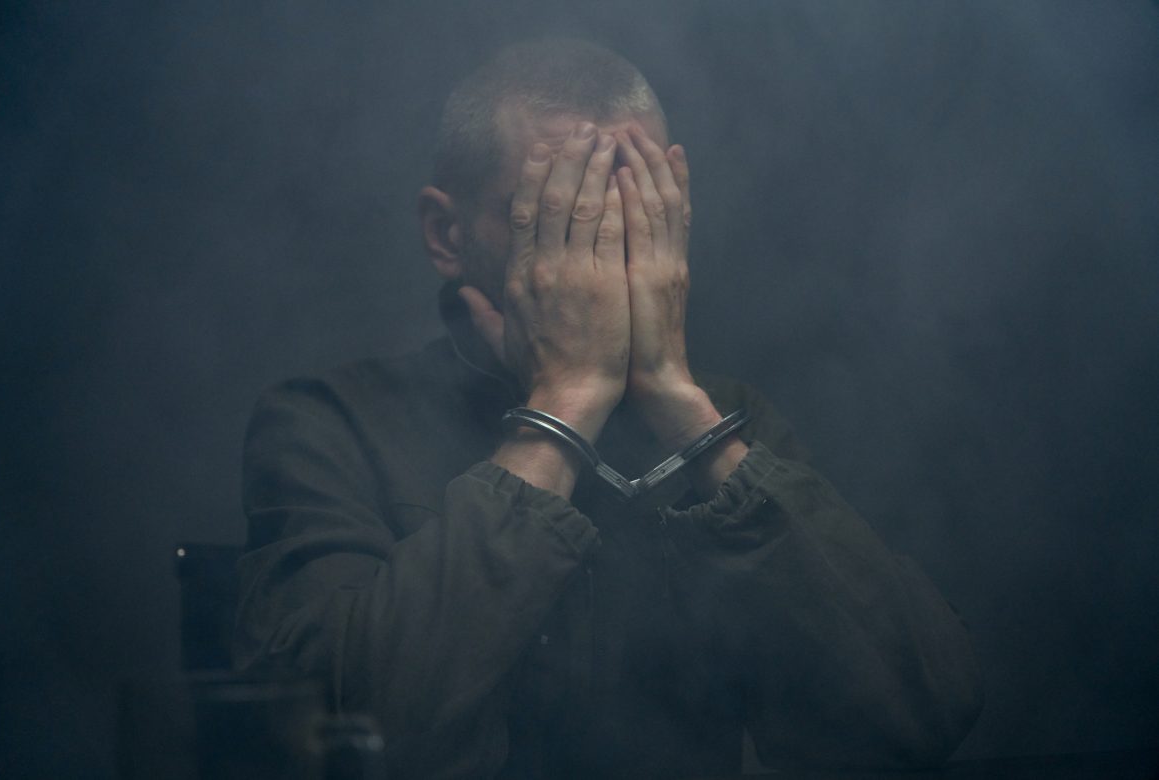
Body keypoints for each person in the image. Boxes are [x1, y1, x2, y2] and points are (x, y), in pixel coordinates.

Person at [234, 39, 983, 778]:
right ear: (448, 235)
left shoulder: (730, 423)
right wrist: (564, 406)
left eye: (635, 207)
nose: (604, 243)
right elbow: (343, 744)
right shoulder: (328, 423)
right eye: (554, 210)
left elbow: (915, 721)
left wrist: (682, 411)